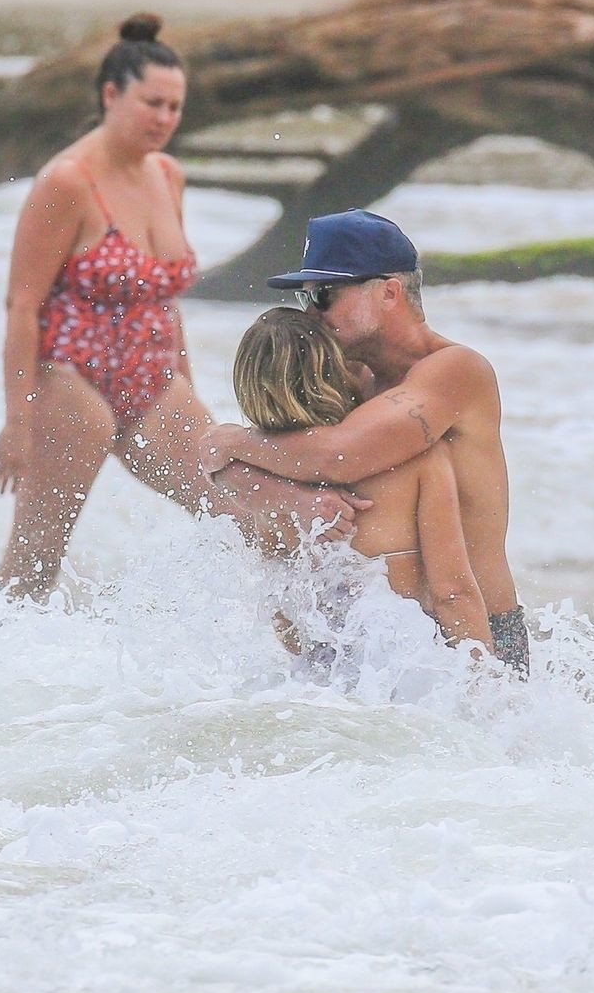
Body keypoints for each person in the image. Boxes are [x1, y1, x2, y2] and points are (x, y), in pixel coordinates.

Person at [0, 14, 357, 597]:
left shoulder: (167, 175)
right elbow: (21, 304)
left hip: (151, 378)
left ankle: (320, 641)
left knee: (250, 517)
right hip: (69, 380)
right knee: (33, 566)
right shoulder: (67, 182)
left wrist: (185, 381)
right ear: (111, 95)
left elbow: (165, 298)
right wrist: (17, 420)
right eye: (152, 103)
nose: (164, 118)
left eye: (175, 107)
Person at [199, 210, 528, 671]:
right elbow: (232, 470)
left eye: (323, 295)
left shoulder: (456, 370)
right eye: (305, 296)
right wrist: (289, 498)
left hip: (478, 635)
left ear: (389, 292)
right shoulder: (350, 378)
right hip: (376, 638)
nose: (311, 313)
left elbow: (338, 456)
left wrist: (231, 442)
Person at [232, 307, 492, 658]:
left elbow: (285, 618)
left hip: (325, 676)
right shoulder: (418, 462)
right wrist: (486, 680)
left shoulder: (268, 487)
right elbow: (452, 593)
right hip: (415, 668)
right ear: (335, 373)